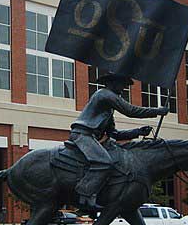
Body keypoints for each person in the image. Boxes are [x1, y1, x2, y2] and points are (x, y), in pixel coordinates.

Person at [67, 73, 169, 212]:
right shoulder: (104, 94)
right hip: (83, 134)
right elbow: (130, 110)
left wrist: (137, 132)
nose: (124, 88)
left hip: (91, 137)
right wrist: (157, 111)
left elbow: (114, 134)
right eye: (123, 84)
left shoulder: (108, 109)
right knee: (103, 162)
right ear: (112, 83)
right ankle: (85, 196)